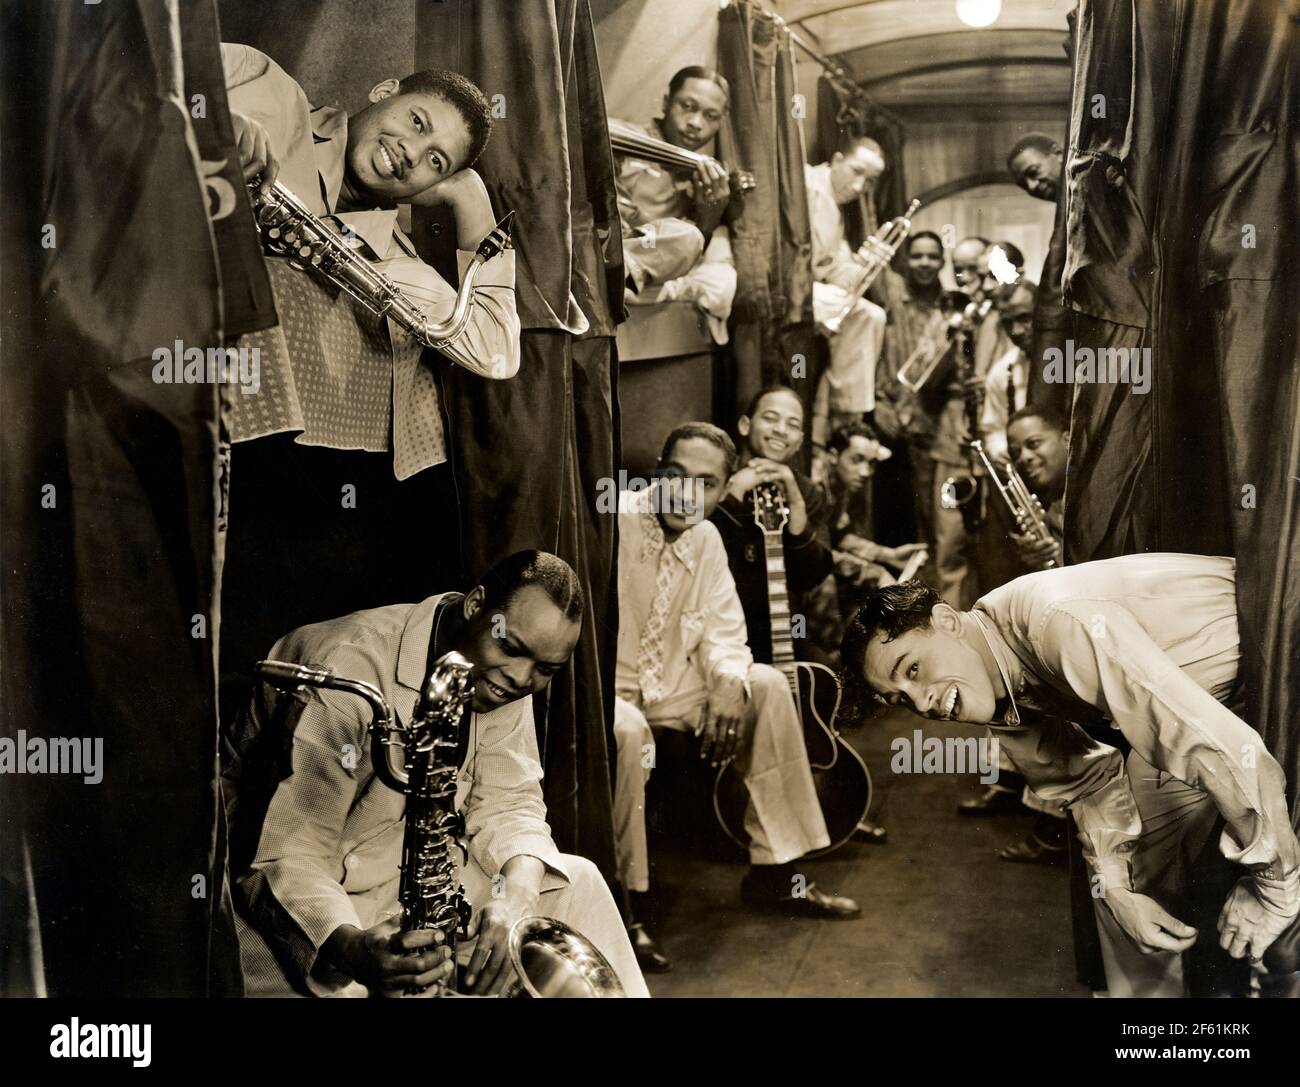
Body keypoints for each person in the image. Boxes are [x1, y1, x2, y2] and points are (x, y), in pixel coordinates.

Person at [841, 557, 1300, 996]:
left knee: (1280, 917)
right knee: (1123, 877)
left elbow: (1217, 749)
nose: (921, 703)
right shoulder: (988, 679)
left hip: (1279, 640)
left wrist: (1274, 887)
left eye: (914, 670)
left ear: (945, 621)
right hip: (1213, 695)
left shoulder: (1056, 621)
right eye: (900, 699)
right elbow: (1084, 781)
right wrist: (1117, 889)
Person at [221, 551, 649, 998]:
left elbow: (511, 800)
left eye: (546, 669)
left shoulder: (502, 667)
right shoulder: (348, 669)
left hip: (401, 874)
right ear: (475, 604)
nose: (522, 679)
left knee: (580, 885)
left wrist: (514, 897)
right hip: (291, 892)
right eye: (512, 649)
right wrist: (352, 949)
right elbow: (290, 852)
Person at [611, 423, 861, 972]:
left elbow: (727, 635)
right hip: (610, 695)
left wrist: (727, 681)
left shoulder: (708, 540)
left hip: (677, 691)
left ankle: (777, 873)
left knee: (767, 685)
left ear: (725, 493)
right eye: (675, 476)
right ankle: (627, 907)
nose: (686, 494)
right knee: (625, 731)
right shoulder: (616, 524)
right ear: (657, 471)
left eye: (705, 483)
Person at [221, 42, 519, 478]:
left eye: (436, 161)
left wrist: (470, 196)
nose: (411, 153)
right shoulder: (265, 83)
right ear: (383, 91)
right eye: (417, 122)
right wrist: (209, 121)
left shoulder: (392, 260)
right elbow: (125, 72)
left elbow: (496, 350)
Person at [711, 386, 832, 667]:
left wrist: (797, 505)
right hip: (719, 627)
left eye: (792, 425)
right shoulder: (714, 478)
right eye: (770, 418)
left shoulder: (807, 491)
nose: (780, 430)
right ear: (745, 425)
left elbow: (812, 576)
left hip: (780, 632)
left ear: (800, 440)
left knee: (823, 673)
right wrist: (734, 493)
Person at [613, 65, 737, 326]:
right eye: (688, 106)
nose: (695, 123)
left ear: (720, 123)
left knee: (700, 248)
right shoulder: (625, 137)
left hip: (640, 261)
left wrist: (708, 217)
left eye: (710, 116)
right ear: (667, 102)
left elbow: (681, 251)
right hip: (608, 244)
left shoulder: (702, 177)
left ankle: (619, 278)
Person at [806, 138, 890, 441]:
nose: (858, 187)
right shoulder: (807, 184)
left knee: (873, 315)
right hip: (795, 292)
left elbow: (836, 272)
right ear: (837, 158)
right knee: (854, 311)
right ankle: (846, 417)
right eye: (856, 172)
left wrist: (864, 263)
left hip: (815, 290)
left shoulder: (836, 206)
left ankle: (850, 413)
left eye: (869, 181)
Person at [979, 284, 1037, 465]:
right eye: (1007, 323)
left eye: (1024, 318)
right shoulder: (1001, 372)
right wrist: (999, 451)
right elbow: (993, 429)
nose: (1016, 331)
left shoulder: (1075, 361)